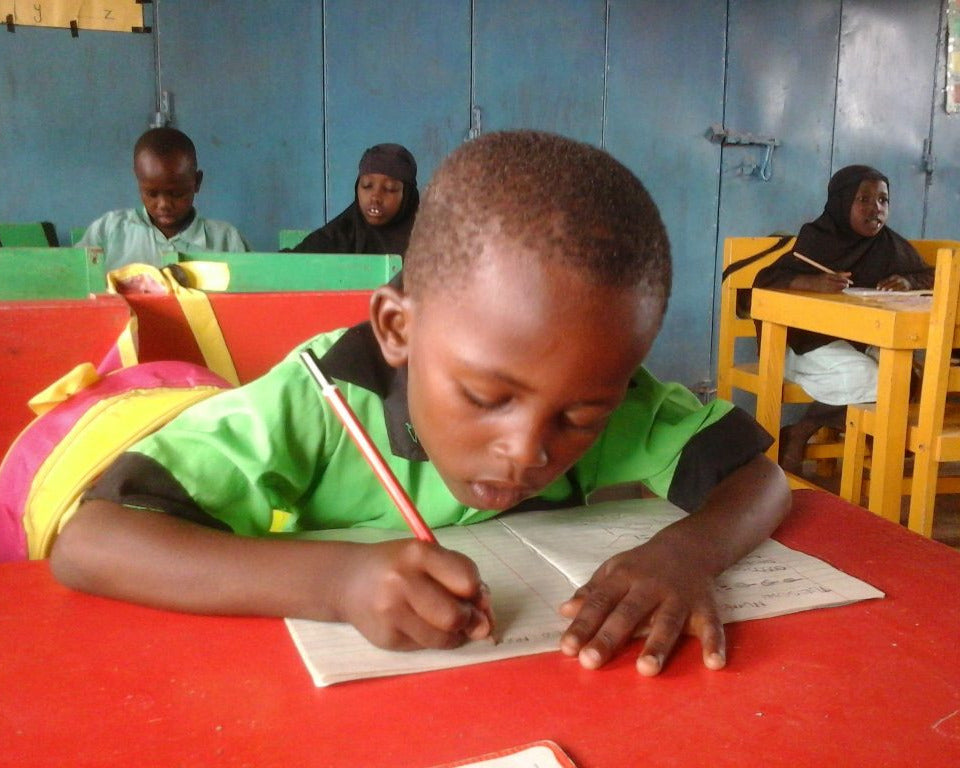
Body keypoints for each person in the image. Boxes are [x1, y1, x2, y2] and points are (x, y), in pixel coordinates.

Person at [50, 131, 790, 677]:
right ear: (398, 328)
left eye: (578, 419)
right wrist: (337, 584)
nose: (529, 451)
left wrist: (688, 550)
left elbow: (761, 478)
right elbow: (90, 542)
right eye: (485, 397)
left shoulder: (613, 401)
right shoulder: (318, 400)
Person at [753, 164, 934, 473]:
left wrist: (908, 281)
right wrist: (812, 283)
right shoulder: (817, 239)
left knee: (909, 378)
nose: (875, 209)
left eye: (883, 200)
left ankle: (803, 429)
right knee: (882, 382)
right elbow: (765, 281)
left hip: (860, 343)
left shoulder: (888, 244)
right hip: (804, 346)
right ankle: (868, 435)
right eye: (863, 199)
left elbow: (929, 275)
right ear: (841, 202)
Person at [78, 127, 249, 272]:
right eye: (151, 194)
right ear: (138, 181)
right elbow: (71, 281)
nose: (164, 205)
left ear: (196, 182)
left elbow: (253, 297)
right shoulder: (109, 230)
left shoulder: (226, 240)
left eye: (176, 194)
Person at [287, 143, 419, 256]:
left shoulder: (429, 239)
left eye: (390, 189)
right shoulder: (339, 235)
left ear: (408, 197)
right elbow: (288, 266)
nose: (375, 197)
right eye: (367, 186)